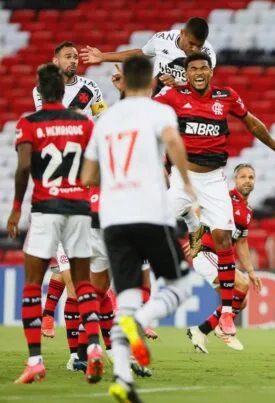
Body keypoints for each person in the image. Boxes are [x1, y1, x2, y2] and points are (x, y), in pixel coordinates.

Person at [150, 51, 275, 338]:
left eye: (203, 68)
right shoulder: (173, 94)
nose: (199, 72)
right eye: (193, 68)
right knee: (149, 228)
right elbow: (143, 110)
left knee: (223, 237)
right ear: (187, 72)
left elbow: (252, 123)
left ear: (211, 72)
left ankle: (225, 314)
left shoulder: (226, 96)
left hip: (213, 180)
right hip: (182, 179)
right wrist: (152, 86)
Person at [81, 55, 196, 402]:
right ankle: (141, 321)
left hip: (112, 220)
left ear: (123, 79)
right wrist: (188, 183)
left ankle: (122, 378)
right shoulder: (158, 110)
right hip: (149, 212)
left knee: (125, 298)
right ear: (150, 81)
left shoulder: (105, 119)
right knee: (185, 284)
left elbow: (87, 176)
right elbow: (173, 142)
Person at [8, 63, 103, 384]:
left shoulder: (28, 123)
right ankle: (91, 348)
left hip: (45, 208)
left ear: (39, 91)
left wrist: (16, 208)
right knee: (84, 282)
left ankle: (35, 360)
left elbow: (22, 168)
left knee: (33, 284)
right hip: (78, 208)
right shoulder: (82, 123)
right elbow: (96, 165)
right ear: (63, 91)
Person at [31, 42, 107, 362]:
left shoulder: (91, 88)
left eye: (76, 56)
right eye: (67, 56)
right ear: (55, 60)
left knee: (82, 274)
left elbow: (102, 121)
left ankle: (77, 348)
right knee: (74, 277)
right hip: (58, 186)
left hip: (84, 184)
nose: (73, 60)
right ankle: (77, 351)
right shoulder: (44, 90)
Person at [187, 163, 262, 353]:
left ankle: (201, 329)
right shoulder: (225, 198)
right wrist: (195, 234)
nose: (247, 180)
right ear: (235, 180)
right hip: (206, 253)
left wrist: (251, 271)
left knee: (241, 300)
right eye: (243, 176)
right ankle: (220, 328)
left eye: (251, 177)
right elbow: (198, 209)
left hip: (221, 258)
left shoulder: (248, 210)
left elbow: (242, 243)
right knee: (242, 285)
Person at [80, 17, 216, 94]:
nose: (195, 49)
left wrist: (178, 83)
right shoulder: (162, 39)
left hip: (185, 107)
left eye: (199, 45)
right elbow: (140, 54)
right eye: (191, 43)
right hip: (156, 100)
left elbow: (203, 88)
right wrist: (103, 56)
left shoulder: (208, 55)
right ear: (182, 33)